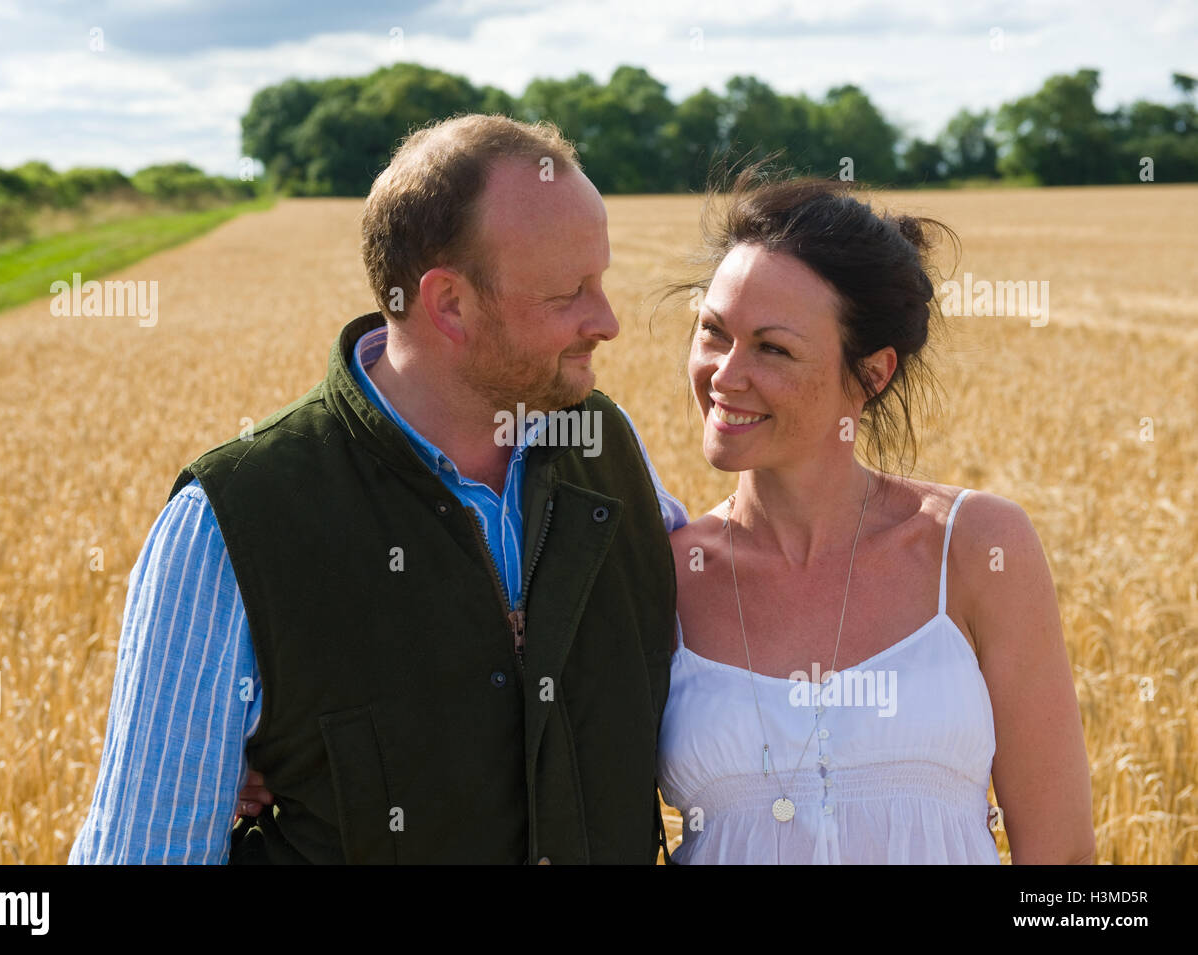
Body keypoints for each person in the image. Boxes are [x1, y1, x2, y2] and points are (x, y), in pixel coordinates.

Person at [68, 114, 688, 864]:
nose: (609, 320)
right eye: (570, 293)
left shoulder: (608, 445)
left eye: (604, 280)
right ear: (450, 304)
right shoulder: (229, 525)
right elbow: (147, 849)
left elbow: (739, 635)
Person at [655, 170, 1095, 864]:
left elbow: (1062, 859)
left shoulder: (976, 549)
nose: (724, 375)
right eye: (713, 332)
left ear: (873, 373)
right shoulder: (664, 573)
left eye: (772, 348)